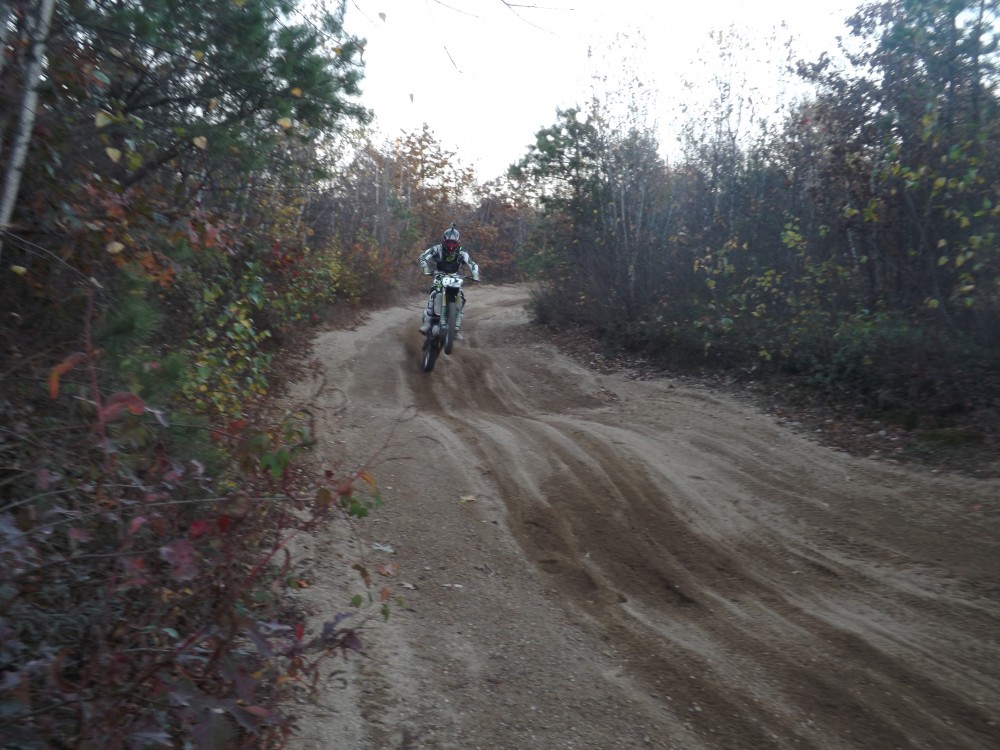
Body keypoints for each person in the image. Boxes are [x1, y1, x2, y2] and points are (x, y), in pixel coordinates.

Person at [418, 223, 480, 339]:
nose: (451, 246)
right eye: (449, 243)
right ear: (444, 241)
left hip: (455, 277)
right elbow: (423, 256)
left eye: (453, 243)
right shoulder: (437, 249)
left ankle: (455, 329)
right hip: (439, 275)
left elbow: (472, 263)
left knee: (461, 297)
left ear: (458, 242)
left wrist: (475, 273)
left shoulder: (462, 252)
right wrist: (425, 268)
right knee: (435, 293)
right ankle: (427, 323)